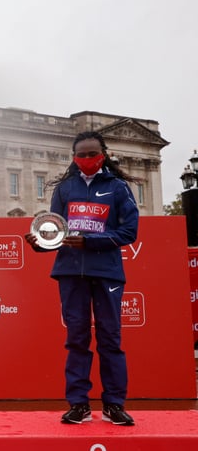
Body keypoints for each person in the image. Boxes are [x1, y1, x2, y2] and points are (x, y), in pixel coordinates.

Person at [26, 130, 140, 426]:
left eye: (93, 154)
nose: (87, 159)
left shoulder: (118, 188)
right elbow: (55, 231)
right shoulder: (64, 188)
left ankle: (114, 404)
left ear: (104, 154)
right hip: (70, 272)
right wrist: (39, 241)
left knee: (110, 339)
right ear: (74, 157)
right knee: (76, 339)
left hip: (107, 272)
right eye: (81, 155)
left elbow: (129, 232)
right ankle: (79, 404)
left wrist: (91, 241)